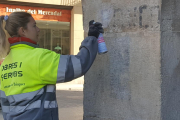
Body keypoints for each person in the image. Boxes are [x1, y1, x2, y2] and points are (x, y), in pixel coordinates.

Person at [0, 12, 103, 120]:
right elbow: (78, 65)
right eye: (34, 26)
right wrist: (91, 38)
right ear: (23, 31)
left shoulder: (5, 64)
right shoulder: (39, 57)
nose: (38, 30)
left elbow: (5, 104)